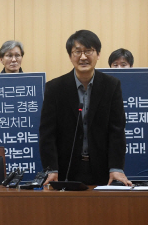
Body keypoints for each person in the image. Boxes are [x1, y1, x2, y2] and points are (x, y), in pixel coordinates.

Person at [39, 30, 131, 186]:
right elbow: (47, 134)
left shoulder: (111, 86)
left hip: (103, 170)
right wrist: (51, 169)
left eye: (88, 51)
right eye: (77, 52)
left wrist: (116, 167)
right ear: (70, 56)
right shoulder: (54, 88)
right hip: (65, 170)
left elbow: (117, 130)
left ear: (98, 54)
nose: (83, 57)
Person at [108, 48, 148, 120]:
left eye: (123, 65)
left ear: (131, 66)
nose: (119, 68)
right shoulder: (102, 84)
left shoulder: (143, 86)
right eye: (115, 65)